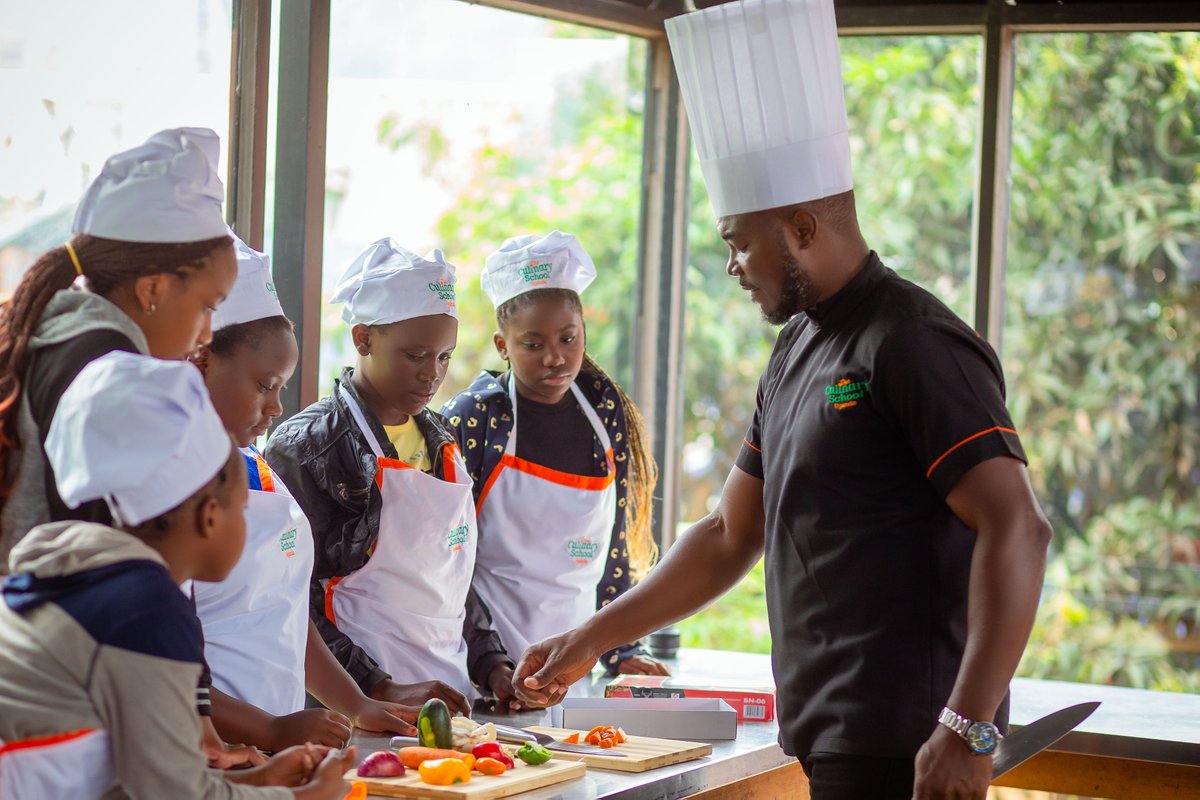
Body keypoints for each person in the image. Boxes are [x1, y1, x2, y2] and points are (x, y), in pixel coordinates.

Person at [513, 2, 1052, 799]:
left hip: (912, 743)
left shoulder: (911, 341)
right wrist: (591, 637)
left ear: (801, 226)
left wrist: (969, 726)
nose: (732, 263)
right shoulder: (796, 346)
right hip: (831, 739)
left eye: (739, 239)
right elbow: (733, 532)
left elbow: (1019, 525)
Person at [0, 126, 255, 767]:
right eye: (208, 305)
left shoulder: (52, 336)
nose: (207, 333)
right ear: (152, 289)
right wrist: (185, 721)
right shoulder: (108, 377)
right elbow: (125, 560)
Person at [0, 352, 355, 799]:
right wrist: (304, 796)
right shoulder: (147, 607)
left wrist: (255, 781)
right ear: (210, 516)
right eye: (244, 511)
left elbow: (142, 778)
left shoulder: (84, 569)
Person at [265, 238, 517, 712]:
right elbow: (291, 601)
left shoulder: (441, 436)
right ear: (363, 339)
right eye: (415, 355)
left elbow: (450, 580)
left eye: (444, 357)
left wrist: (491, 664)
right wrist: (377, 688)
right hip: (349, 709)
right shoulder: (309, 449)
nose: (432, 375)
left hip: (448, 699)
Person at [193, 236, 421, 751]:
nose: (276, 408)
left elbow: (287, 616)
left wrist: (357, 705)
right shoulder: (167, 488)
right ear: (201, 361)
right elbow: (157, 669)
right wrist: (267, 729)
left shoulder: (258, 469)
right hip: (208, 757)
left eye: (282, 388)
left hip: (273, 756)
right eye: (263, 384)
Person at [442, 231, 666, 678]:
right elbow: (447, 561)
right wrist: (491, 663)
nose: (555, 358)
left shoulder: (605, 413)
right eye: (533, 344)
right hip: (484, 667)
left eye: (568, 338)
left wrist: (619, 651)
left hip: (574, 669)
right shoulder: (475, 418)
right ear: (502, 345)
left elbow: (615, 549)